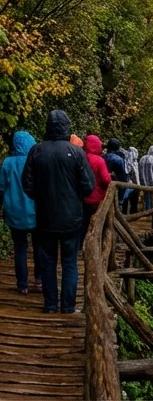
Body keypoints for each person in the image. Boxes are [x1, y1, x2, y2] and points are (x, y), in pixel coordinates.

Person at [22, 111, 96, 313]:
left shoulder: (36, 151)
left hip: (45, 217)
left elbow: (27, 184)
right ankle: (68, 306)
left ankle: (50, 305)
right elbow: (89, 186)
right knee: (70, 263)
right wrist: (74, 195)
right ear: (66, 126)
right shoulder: (76, 152)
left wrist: (42, 196)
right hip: (72, 218)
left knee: (47, 262)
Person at [1, 132, 37, 295]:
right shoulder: (35, 160)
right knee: (39, 247)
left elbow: (1, 187)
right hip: (35, 211)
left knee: (20, 249)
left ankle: (22, 284)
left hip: (14, 212)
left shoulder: (8, 163)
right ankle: (40, 278)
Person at [80, 135, 112, 240]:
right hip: (97, 198)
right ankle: (95, 244)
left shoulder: (80, 157)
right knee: (97, 224)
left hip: (82, 197)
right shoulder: (99, 160)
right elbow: (105, 179)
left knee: (83, 223)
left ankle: (81, 244)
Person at [103, 139, 130, 215]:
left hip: (104, 186)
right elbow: (123, 176)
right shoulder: (119, 160)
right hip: (115, 186)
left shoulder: (103, 157)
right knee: (116, 207)